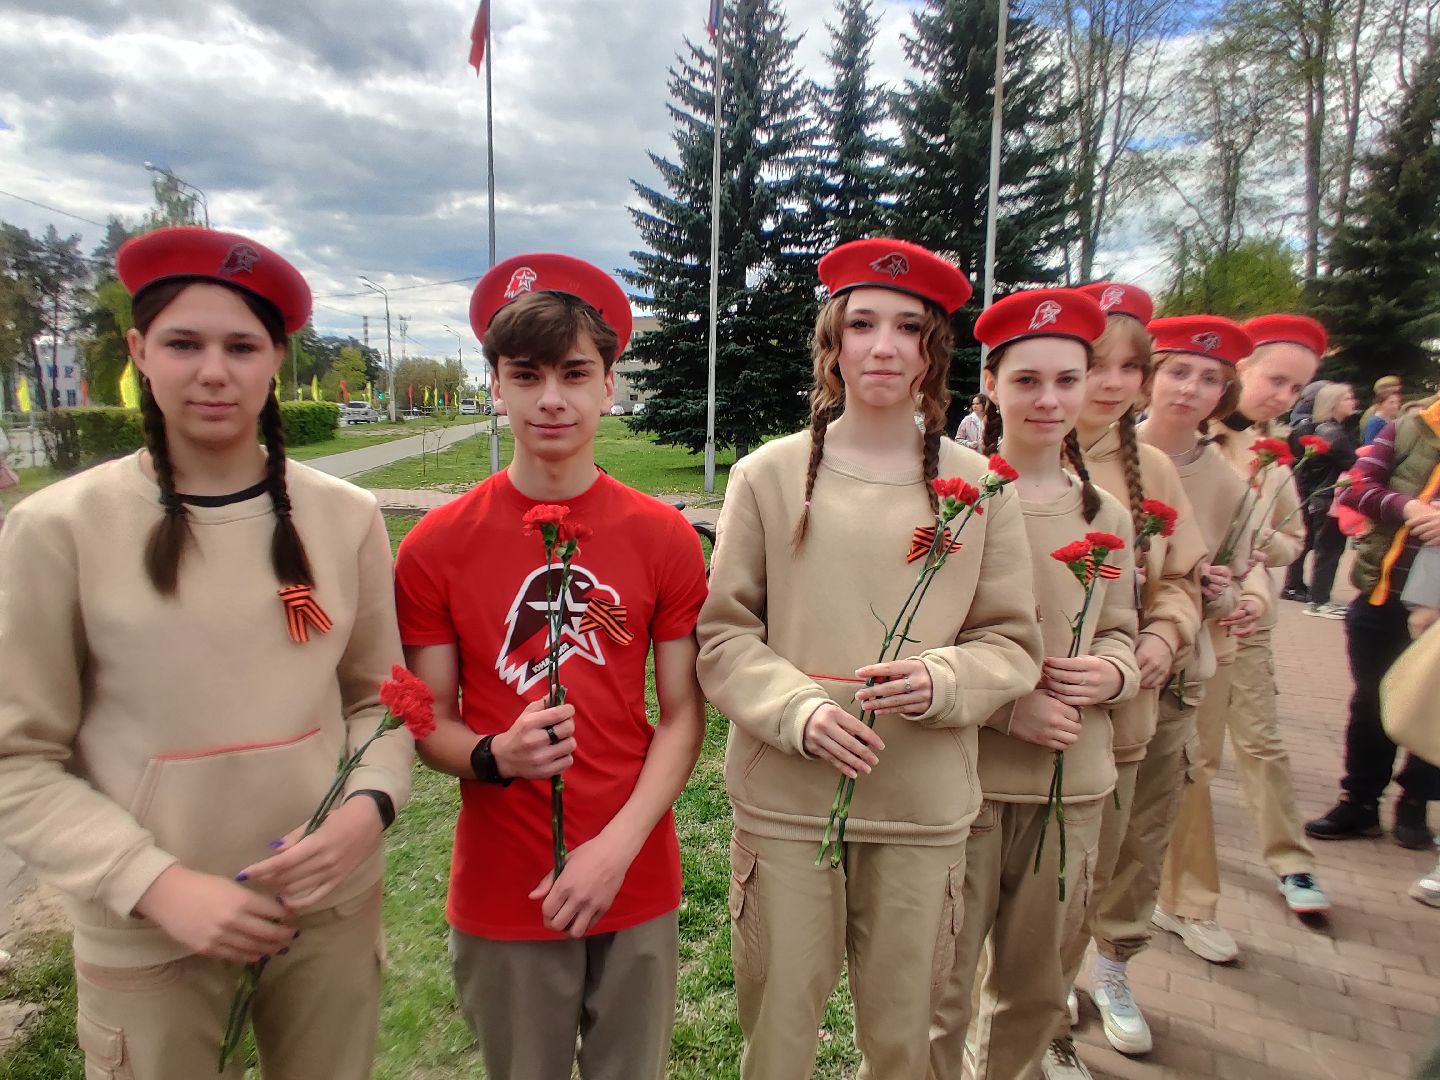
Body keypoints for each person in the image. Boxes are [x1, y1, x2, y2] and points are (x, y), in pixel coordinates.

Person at [0, 226, 414, 1080]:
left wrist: (367, 810)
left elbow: (380, 700)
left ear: (277, 361)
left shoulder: (344, 517)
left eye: (242, 346)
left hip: (326, 911)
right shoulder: (56, 529)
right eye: (184, 344)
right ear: (139, 352)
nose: (214, 371)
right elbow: (18, 760)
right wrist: (154, 883)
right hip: (150, 932)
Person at [698, 238, 1043, 1080]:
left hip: (921, 806)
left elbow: (1010, 642)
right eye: (862, 324)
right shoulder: (767, 476)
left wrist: (944, 679)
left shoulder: (983, 488)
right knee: (779, 1028)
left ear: (933, 350)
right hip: (787, 801)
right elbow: (725, 633)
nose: (884, 346)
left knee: (905, 1037)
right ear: (834, 341)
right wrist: (797, 710)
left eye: (908, 327)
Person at [393, 254, 709, 1080]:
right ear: (496, 387)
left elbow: (683, 716)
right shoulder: (434, 547)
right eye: (525, 375)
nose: (552, 399)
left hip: (633, 871)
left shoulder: (665, 538)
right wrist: (494, 754)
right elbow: (429, 722)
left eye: (574, 373)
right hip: (505, 882)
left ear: (608, 385)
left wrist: (616, 849)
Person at [929, 287, 1140, 1080]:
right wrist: (1003, 708)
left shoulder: (1105, 514)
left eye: (1066, 380)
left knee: (1035, 987)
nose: (1049, 400)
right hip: (968, 782)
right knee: (938, 987)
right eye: (1027, 380)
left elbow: (1122, 626)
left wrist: (1111, 672)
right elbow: (923, 634)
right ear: (991, 385)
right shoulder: (958, 500)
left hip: (1069, 785)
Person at [1048, 283, 1206, 1074]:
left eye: (1129, 368)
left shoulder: (1154, 471)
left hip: (1136, 709)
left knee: (1126, 853)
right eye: (1094, 364)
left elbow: (1181, 579)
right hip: (1042, 712)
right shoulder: (1020, 457)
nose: (1111, 384)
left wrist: (1165, 636)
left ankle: (1110, 970)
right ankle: (1043, 1015)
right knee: (1048, 877)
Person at [1154, 313, 1333, 967]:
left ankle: (1198, 896)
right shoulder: (1139, 444)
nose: (1283, 397)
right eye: (1276, 380)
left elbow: (1269, 543)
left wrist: (1251, 593)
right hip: (1139, 635)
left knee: (1209, 763)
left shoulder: (1258, 461)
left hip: (1222, 633)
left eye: (1297, 389)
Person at [1305, 393, 1440, 851]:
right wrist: (1409, 508)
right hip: (1383, 595)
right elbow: (1356, 486)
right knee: (1371, 703)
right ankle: (1360, 802)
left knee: (1431, 705)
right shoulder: (1407, 429)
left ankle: (1415, 803)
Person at [1300, 382, 1359, 618]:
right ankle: (1319, 600)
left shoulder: (1328, 430)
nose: (1353, 402)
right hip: (1328, 497)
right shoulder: (1333, 433)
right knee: (1329, 550)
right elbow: (1353, 463)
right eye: (1347, 398)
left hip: (1323, 496)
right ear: (1333, 403)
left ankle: (1319, 598)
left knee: (1327, 550)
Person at [1280, 380, 1331, 603]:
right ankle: (1292, 585)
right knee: (1304, 538)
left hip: (1304, 485)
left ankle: (1294, 583)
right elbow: (1304, 461)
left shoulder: (1306, 422)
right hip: (1304, 487)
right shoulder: (1305, 425)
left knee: (1306, 539)